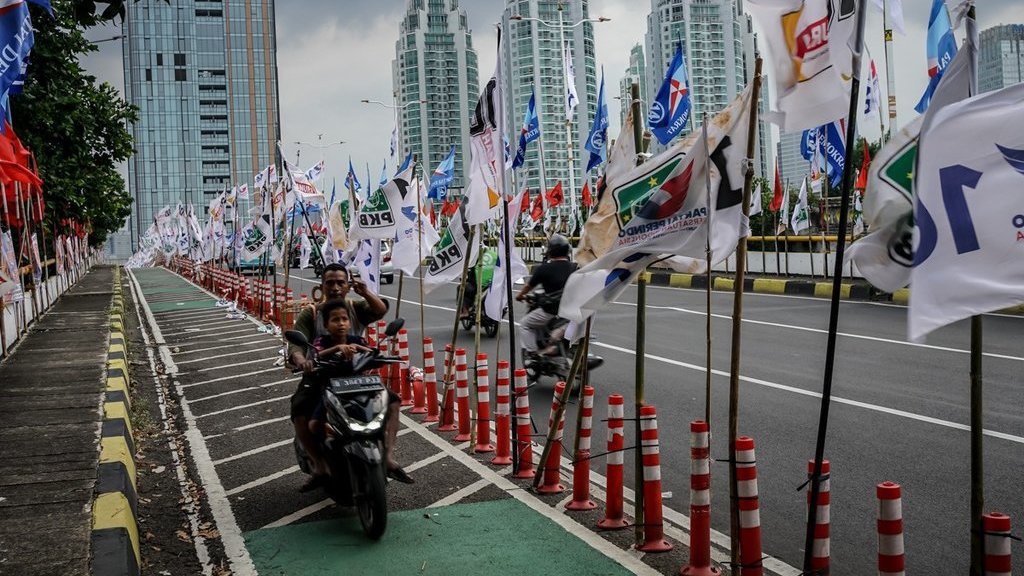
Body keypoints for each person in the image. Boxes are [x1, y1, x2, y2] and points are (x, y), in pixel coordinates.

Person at [287, 263, 414, 490]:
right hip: (321, 377)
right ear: (322, 286)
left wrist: (365, 291)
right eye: (330, 283)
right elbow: (296, 346)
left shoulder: (356, 308)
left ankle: (388, 456)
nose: (335, 287)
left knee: (392, 401)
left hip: (357, 377)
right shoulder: (313, 312)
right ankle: (319, 465)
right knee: (300, 410)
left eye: (340, 282)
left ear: (348, 285)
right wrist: (302, 361)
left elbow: (380, 310)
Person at [304, 299, 371, 441]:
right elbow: (316, 355)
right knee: (313, 424)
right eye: (335, 320)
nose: (341, 323)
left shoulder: (357, 340)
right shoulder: (321, 341)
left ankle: (387, 453)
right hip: (332, 390)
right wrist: (337, 348)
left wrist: (358, 348)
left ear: (349, 322)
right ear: (326, 325)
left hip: (358, 388)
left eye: (344, 319)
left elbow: (371, 353)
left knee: (385, 410)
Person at [515, 234, 575, 366]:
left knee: (525, 324)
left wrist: (520, 296)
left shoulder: (544, 269)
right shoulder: (575, 268)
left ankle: (532, 354)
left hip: (552, 310)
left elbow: (528, 286)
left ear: (551, 251)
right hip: (571, 311)